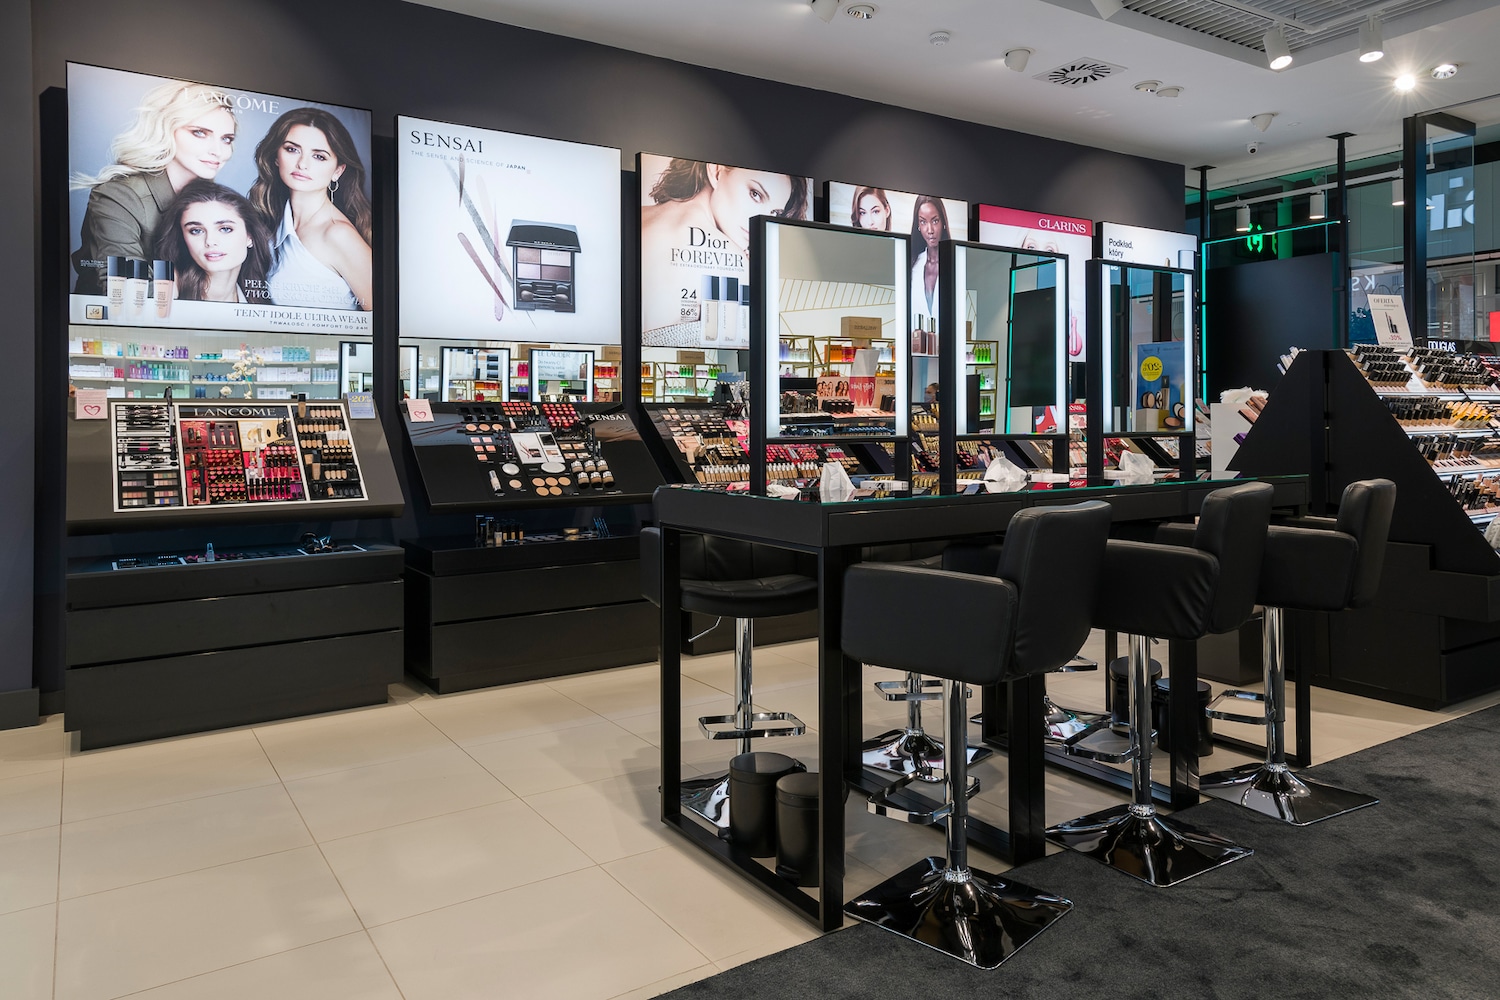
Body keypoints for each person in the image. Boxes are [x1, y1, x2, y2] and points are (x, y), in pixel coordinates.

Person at [71, 81, 238, 295]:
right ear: (166, 129)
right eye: (199, 133)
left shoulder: (217, 202)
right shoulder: (119, 195)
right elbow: (128, 291)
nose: (218, 151)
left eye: (226, 139)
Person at [640, 158, 809, 333]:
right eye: (755, 194)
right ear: (716, 172)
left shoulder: (638, 214)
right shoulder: (736, 264)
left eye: (774, 212)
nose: (761, 219)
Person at [249, 107, 373, 311]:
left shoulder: (338, 235)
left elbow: (380, 318)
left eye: (319, 156)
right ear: (276, 156)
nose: (302, 164)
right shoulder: (274, 220)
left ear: (338, 171)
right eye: (292, 149)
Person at [152, 179, 272, 302]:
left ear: (249, 236)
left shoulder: (261, 300)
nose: (210, 241)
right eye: (196, 231)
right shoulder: (167, 290)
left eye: (225, 229)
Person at [909, 196, 950, 326]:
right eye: (923, 222)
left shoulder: (954, 265)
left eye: (935, 221)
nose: (930, 230)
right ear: (918, 226)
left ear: (943, 223)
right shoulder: (912, 266)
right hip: (916, 337)